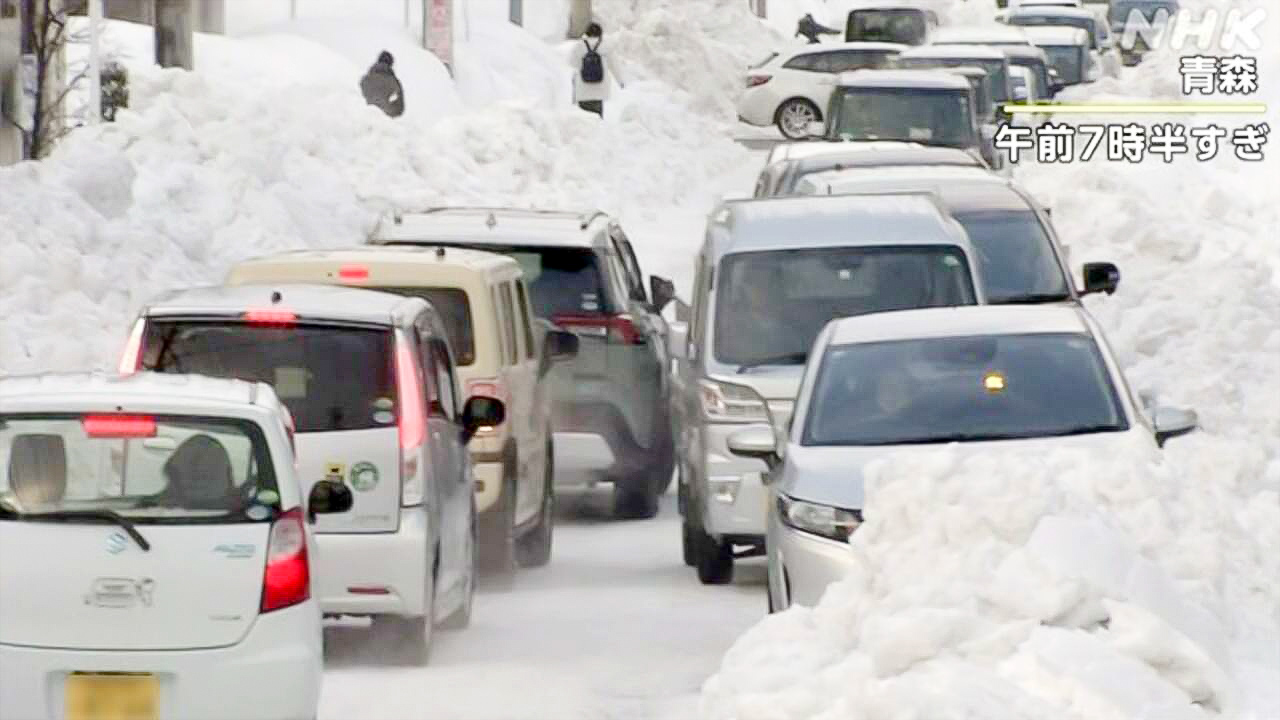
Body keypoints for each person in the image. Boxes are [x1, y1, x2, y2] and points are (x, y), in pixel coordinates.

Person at [569, 22, 624, 118]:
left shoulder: (579, 46)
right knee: (597, 119)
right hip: (599, 88)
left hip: (583, 89)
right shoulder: (606, 46)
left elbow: (572, 63)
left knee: (584, 119)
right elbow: (614, 65)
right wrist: (621, 82)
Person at [360, 50, 405, 118]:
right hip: (385, 120)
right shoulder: (394, 83)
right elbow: (400, 109)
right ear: (391, 64)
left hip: (363, 116)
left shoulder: (365, 79)